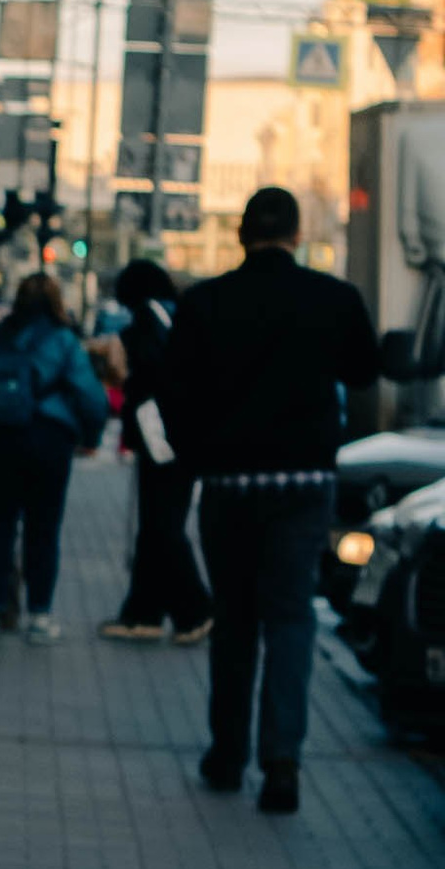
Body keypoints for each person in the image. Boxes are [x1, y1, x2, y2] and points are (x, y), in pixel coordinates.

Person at [159, 183, 377, 812]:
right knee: (290, 619)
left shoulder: (204, 304)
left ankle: (227, 756)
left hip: (227, 486)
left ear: (240, 235)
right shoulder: (332, 299)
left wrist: (199, 454)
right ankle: (282, 764)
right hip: (304, 485)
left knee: (235, 622)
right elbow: (365, 372)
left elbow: (174, 393)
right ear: (298, 236)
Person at [0, 267, 111, 639]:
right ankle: (39, 615)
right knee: (43, 527)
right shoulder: (63, 341)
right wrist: (91, 435)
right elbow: (91, 397)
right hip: (48, 439)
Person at [99, 258, 211, 644]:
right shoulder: (180, 314)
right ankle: (144, 612)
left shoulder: (148, 320)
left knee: (163, 526)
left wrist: (122, 365)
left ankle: (195, 609)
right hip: (187, 435)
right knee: (156, 527)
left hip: (163, 439)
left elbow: (150, 369)